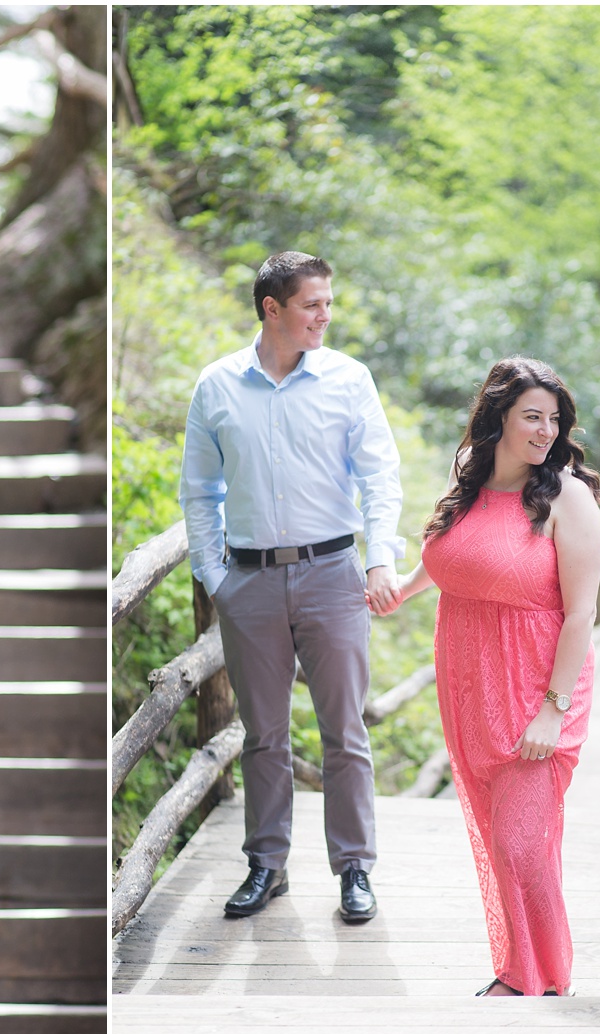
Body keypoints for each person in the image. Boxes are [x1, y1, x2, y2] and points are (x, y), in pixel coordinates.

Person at [375, 356, 600, 997]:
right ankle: (519, 971)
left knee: (519, 840)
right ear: (497, 418)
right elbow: (463, 552)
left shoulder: (568, 498)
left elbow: (582, 612)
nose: (544, 430)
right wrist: (406, 587)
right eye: (531, 416)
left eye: (553, 419)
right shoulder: (470, 477)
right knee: (493, 828)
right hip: (471, 679)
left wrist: (552, 709)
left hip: (539, 680)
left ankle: (543, 978)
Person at [179, 251, 405, 922]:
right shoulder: (217, 385)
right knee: (264, 736)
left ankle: (354, 869)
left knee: (345, 730)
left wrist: (380, 560)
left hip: (333, 574)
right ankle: (266, 865)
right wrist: (215, 577)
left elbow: (380, 477)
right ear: (272, 308)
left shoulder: (347, 379)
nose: (325, 315)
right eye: (312, 304)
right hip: (248, 579)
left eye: (328, 302)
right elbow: (199, 491)